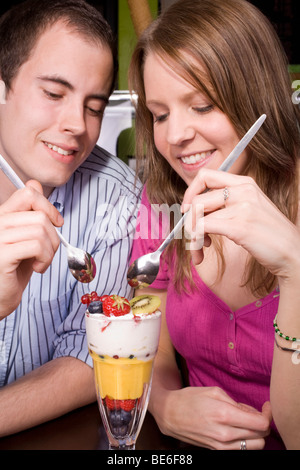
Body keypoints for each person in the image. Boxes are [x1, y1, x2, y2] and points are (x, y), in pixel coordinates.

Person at [128, 0, 300, 450]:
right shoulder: (163, 197)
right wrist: (164, 404)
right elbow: (152, 334)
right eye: (160, 114)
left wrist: (296, 273)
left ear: (256, 97)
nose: (174, 135)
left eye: (202, 106)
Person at [0, 0, 141, 437]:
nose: (77, 125)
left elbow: (90, 358)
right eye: (54, 94)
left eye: (94, 106)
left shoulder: (117, 199)